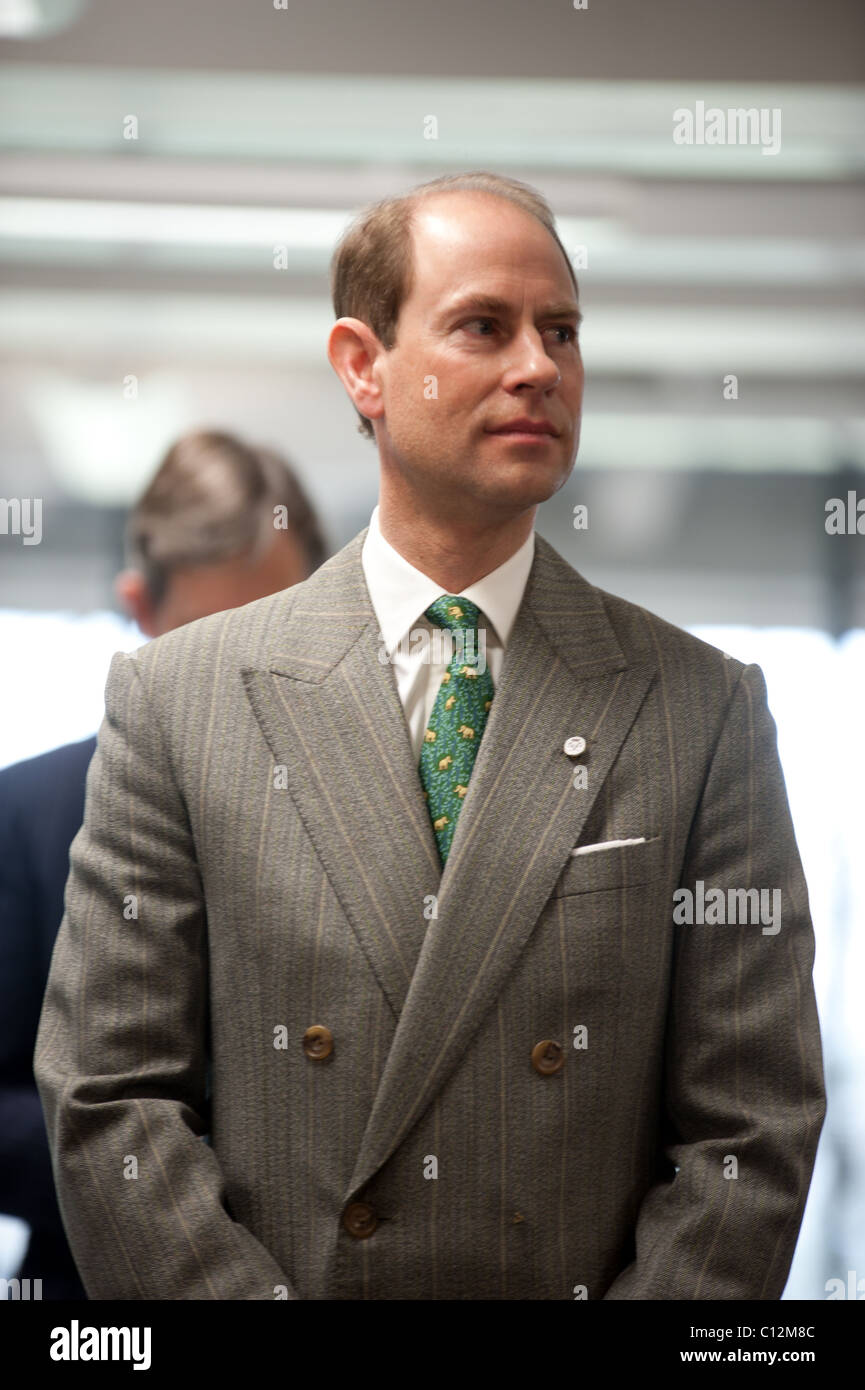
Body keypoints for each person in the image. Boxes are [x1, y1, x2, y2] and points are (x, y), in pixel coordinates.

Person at [34, 173, 825, 1301]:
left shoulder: (701, 709)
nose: (539, 367)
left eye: (561, 331)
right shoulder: (181, 698)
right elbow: (110, 1092)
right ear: (363, 364)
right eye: (484, 326)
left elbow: (753, 1124)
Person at [1, 429, 325, 1299]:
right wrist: (165, 1154)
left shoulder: (391, 817)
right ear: (137, 609)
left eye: (278, 632)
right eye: (206, 641)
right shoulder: (24, 815)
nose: (248, 678)